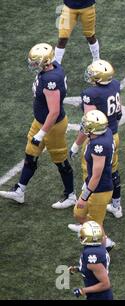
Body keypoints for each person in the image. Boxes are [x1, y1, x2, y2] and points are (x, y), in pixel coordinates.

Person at [0, 43, 75, 209]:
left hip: (52, 126)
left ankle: (70, 195)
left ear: (46, 61)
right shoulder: (51, 67)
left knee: (60, 160)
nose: (33, 65)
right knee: (30, 154)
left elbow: (54, 111)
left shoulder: (51, 80)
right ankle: (20, 190)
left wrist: (42, 133)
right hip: (40, 121)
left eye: (36, 62)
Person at [69, 60, 123, 218]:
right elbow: (118, 113)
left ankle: (87, 204)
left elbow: (87, 124)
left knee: (91, 173)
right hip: (114, 134)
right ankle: (116, 205)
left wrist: (76, 145)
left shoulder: (91, 94)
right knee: (113, 170)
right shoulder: (116, 85)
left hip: (98, 137)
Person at [68, 110, 115, 251]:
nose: (84, 127)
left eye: (87, 125)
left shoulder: (99, 146)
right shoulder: (104, 134)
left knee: (95, 224)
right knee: (78, 213)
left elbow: (96, 176)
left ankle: (105, 245)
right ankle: (90, 230)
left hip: (100, 189)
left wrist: (84, 196)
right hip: (93, 185)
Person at [69, 220, 113, 300]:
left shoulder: (92, 254)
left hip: (99, 297)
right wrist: (78, 269)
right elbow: (92, 269)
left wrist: (83, 290)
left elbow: (105, 284)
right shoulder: (99, 245)